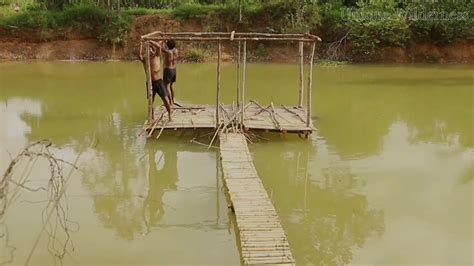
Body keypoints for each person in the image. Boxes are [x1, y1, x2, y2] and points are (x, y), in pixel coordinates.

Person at [139, 40, 171, 120]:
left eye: (150, 49)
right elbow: (139, 54)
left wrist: (150, 41)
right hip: (150, 83)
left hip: (159, 82)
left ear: (153, 51)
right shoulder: (145, 59)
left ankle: (170, 115)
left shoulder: (156, 56)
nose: (148, 51)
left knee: (165, 99)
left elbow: (158, 47)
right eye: (147, 50)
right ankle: (152, 118)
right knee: (151, 101)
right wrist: (141, 44)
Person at [161, 40, 179, 107]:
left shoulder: (168, 52)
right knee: (171, 85)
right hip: (174, 69)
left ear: (168, 45)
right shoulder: (176, 51)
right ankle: (173, 99)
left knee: (167, 86)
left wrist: (163, 42)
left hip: (168, 69)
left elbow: (161, 48)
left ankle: (170, 102)